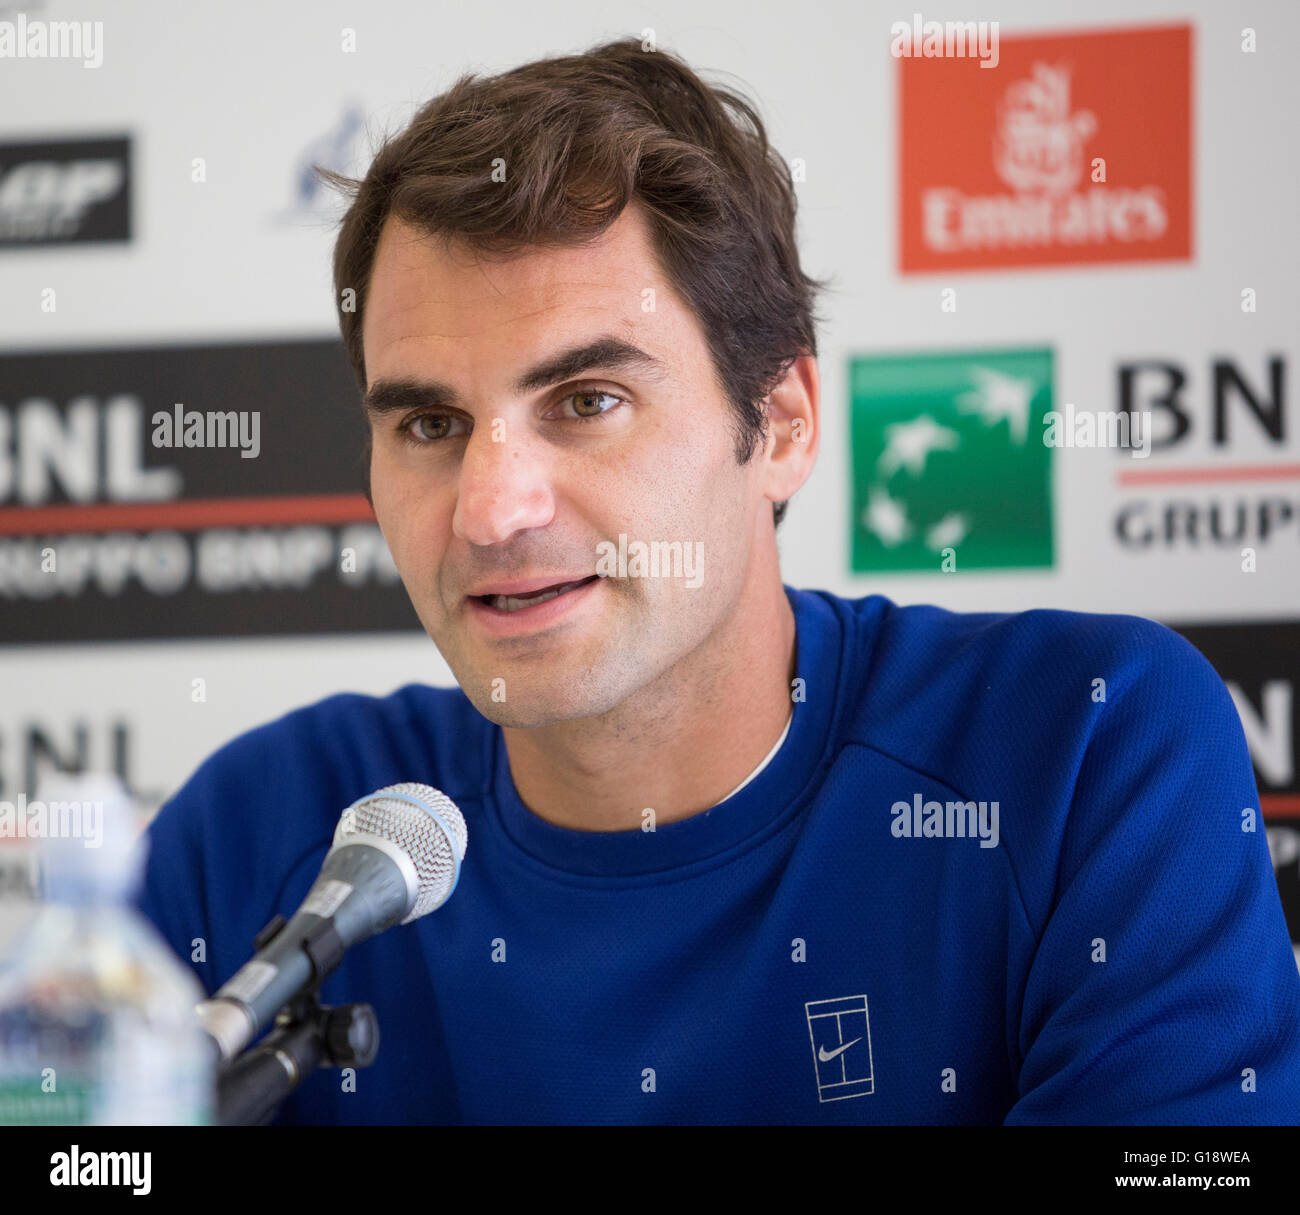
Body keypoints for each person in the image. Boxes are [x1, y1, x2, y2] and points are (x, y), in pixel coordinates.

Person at [135, 36, 1300, 1124]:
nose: (491, 509)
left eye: (587, 403)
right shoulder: (270, 837)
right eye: (431, 423)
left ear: (782, 422)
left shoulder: (1080, 748)